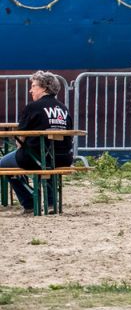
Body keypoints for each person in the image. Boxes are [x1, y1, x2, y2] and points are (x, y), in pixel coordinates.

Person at [2, 72, 73, 213]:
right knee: (47, 161)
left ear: (44, 88)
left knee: (3, 165)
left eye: (33, 86)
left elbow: (19, 138)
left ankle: (29, 203)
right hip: (63, 158)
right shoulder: (63, 108)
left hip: (36, 157)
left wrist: (20, 149)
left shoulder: (32, 107)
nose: (30, 90)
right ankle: (51, 203)